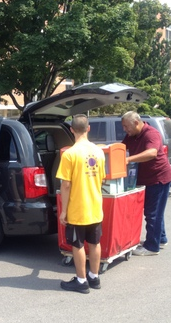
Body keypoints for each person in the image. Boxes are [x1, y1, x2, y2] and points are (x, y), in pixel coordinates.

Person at [56, 114, 106, 294]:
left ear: (71, 130)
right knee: (94, 242)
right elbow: (101, 179)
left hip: (78, 208)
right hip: (95, 206)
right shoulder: (99, 152)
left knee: (77, 245)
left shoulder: (70, 154)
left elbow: (66, 184)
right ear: (89, 128)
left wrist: (64, 211)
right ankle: (94, 276)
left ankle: (81, 280)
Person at [121, 111, 171, 256]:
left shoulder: (151, 133)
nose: (125, 129)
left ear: (136, 123)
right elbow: (121, 148)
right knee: (156, 212)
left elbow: (152, 153)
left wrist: (129, 160)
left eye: (126, 126)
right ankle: (160, 239)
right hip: (146, 178)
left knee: (153, 213)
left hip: (158, 178)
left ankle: (151, 246)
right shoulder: (132, 135)